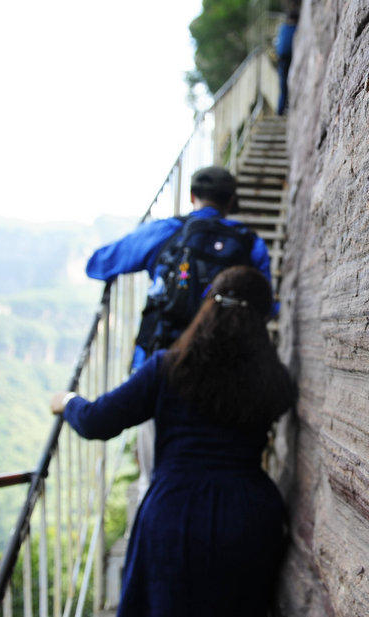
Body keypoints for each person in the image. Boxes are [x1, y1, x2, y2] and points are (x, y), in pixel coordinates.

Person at [51, 266, 295, 617]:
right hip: (250, 515)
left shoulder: (168, 367)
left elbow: (96, 423)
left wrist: (68, 401)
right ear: (263, 318)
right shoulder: (276, 381)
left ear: (208, 305)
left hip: (175, 513)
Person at [86, 165, 274, 496]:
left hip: (161, 367)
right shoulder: (250, 243)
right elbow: (268, 307)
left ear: (191, 197)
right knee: (220, 468)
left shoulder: (166, 232)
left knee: (156, 476)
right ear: (231, 201)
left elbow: (99, 263)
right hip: (227, 370)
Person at [274, 10, 297, 116]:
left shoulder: (283, 28)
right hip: (289, 59)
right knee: (289, 83)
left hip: (281, 59)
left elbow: (277, 44)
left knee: (283, 85)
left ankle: (280, 110)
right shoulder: (295, 29)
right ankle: (285, 107)